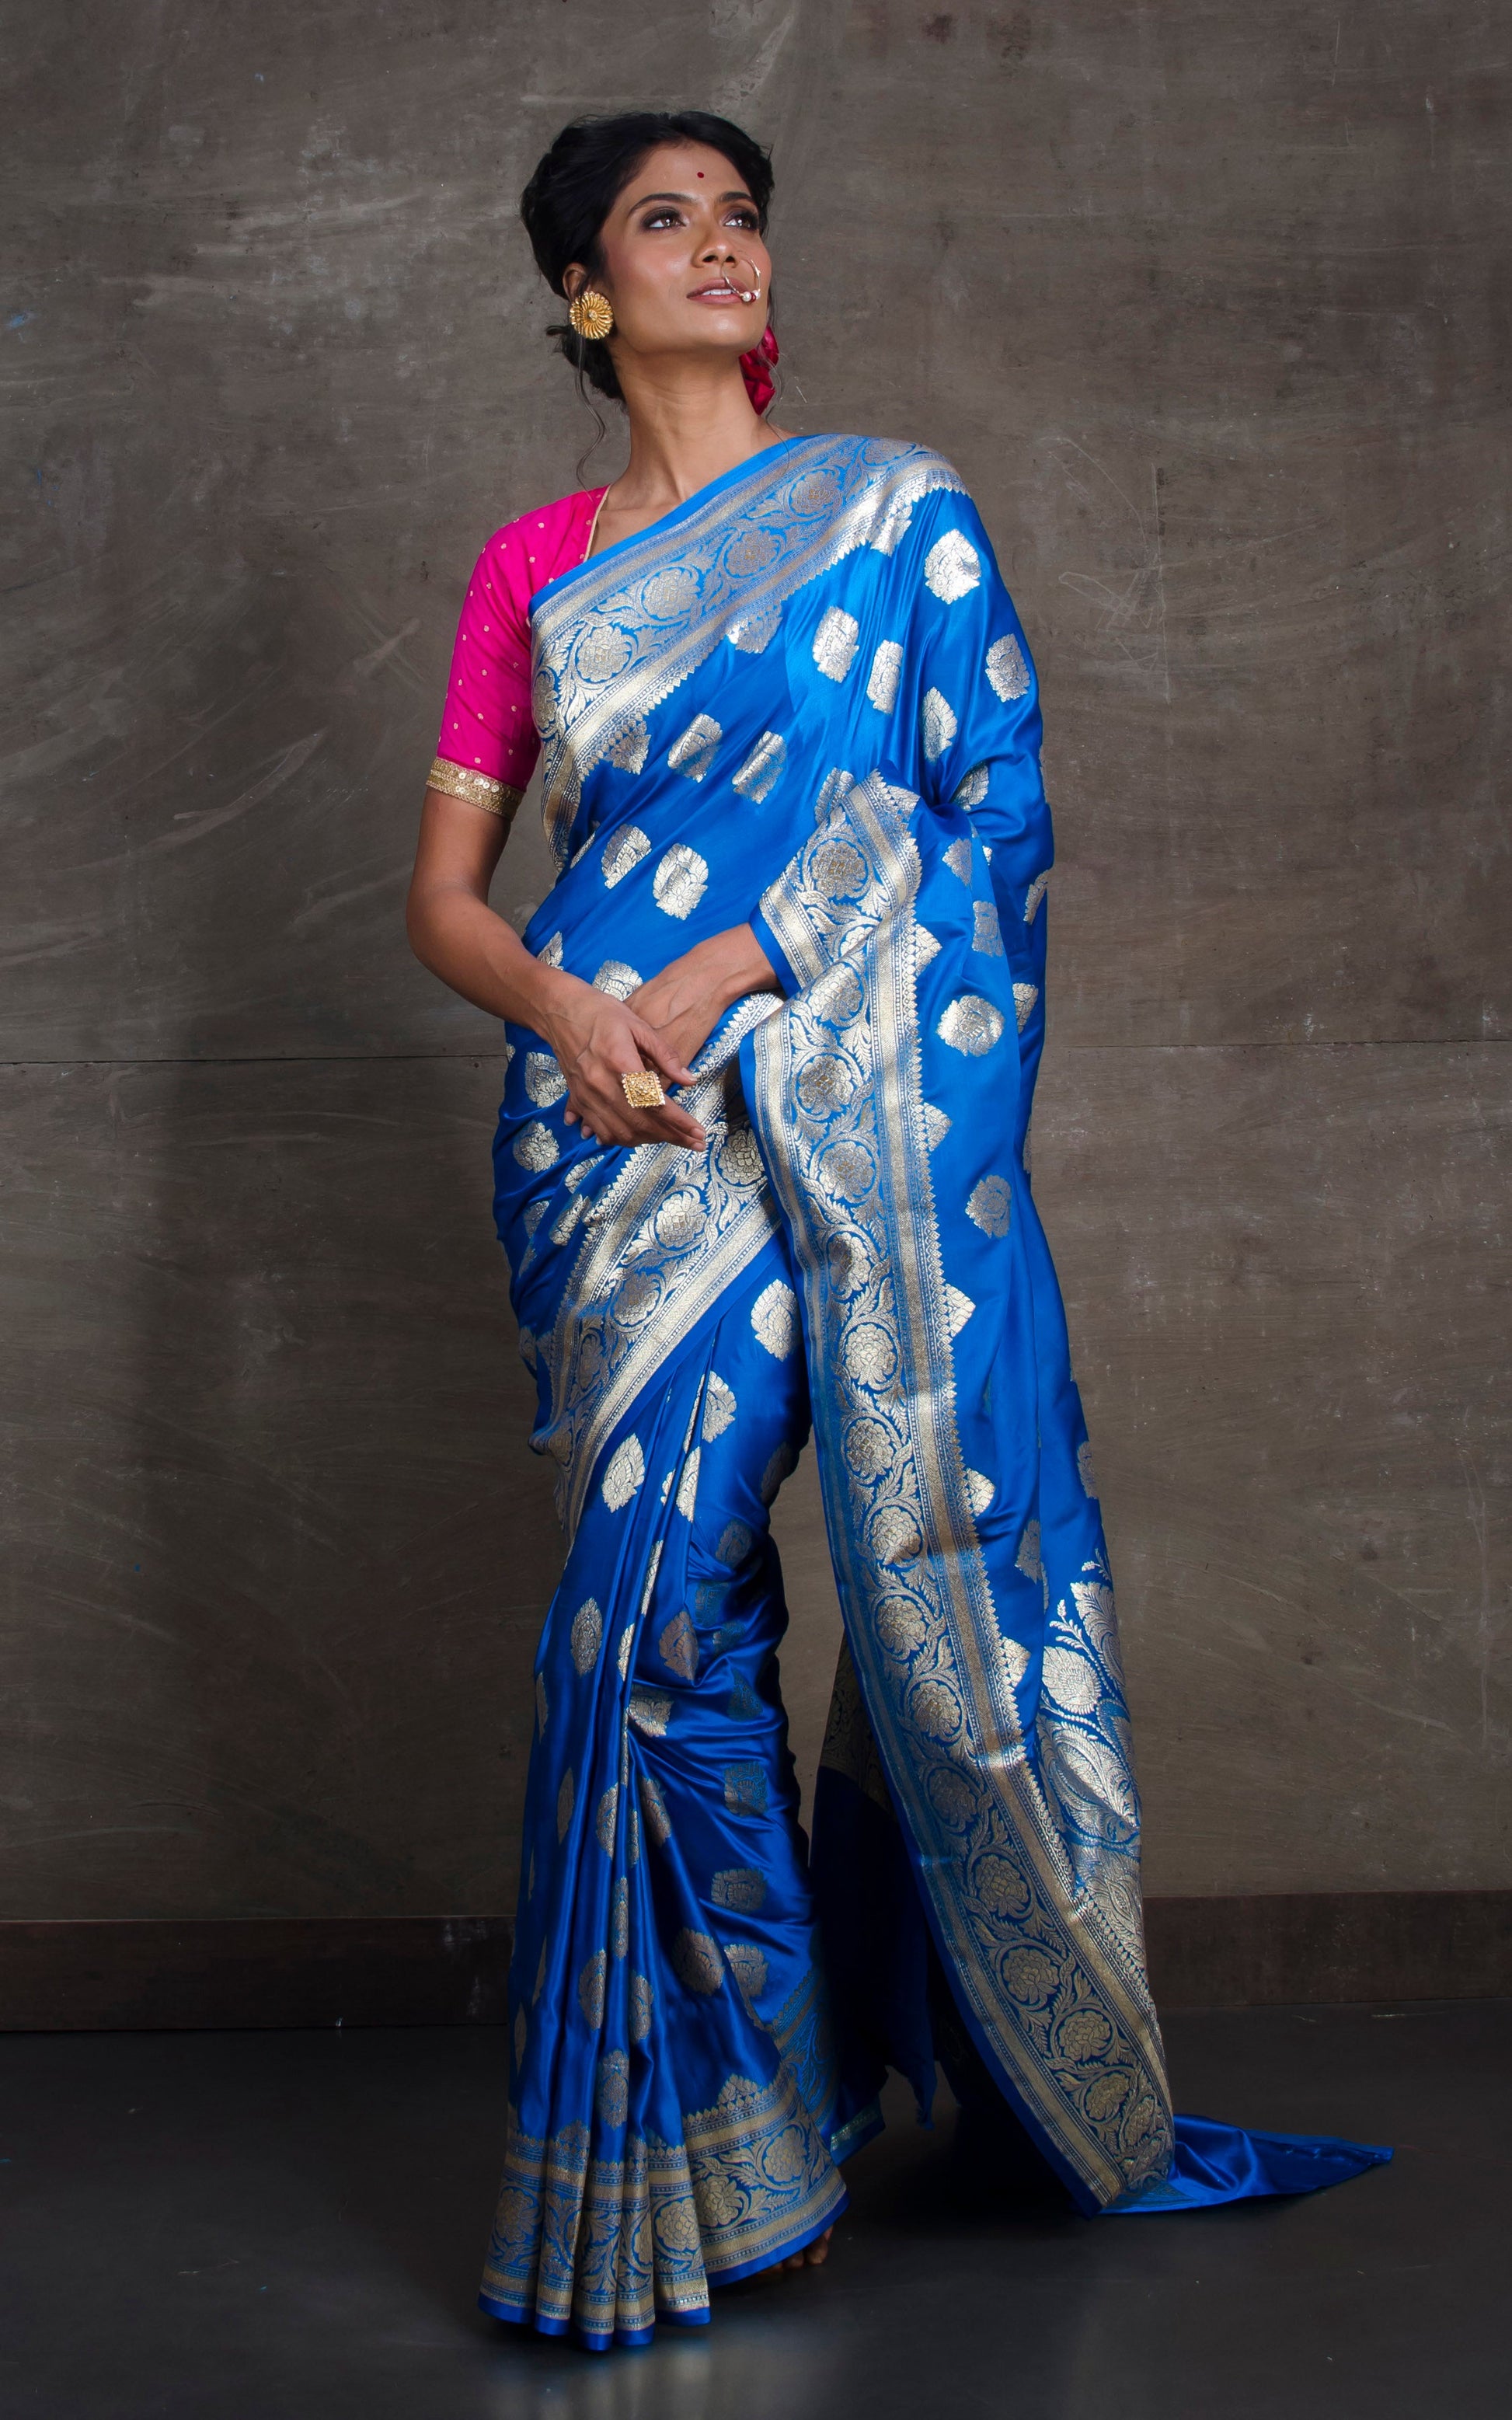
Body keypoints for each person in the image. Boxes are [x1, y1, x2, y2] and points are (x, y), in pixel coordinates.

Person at [406, 108, 1387, 2354]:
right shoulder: (531, 571)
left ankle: (790, 2111)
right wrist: (570, 1015)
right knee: (651, 1620)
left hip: (815, 1085)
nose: (723, 247)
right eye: (668, 221)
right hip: (608, 1138)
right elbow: (444, 899)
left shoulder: (891, 513)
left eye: (743, 217)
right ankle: (738, 2141)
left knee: (700, 1586)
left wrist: (736, 966)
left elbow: (988, 816)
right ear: (585, 290)